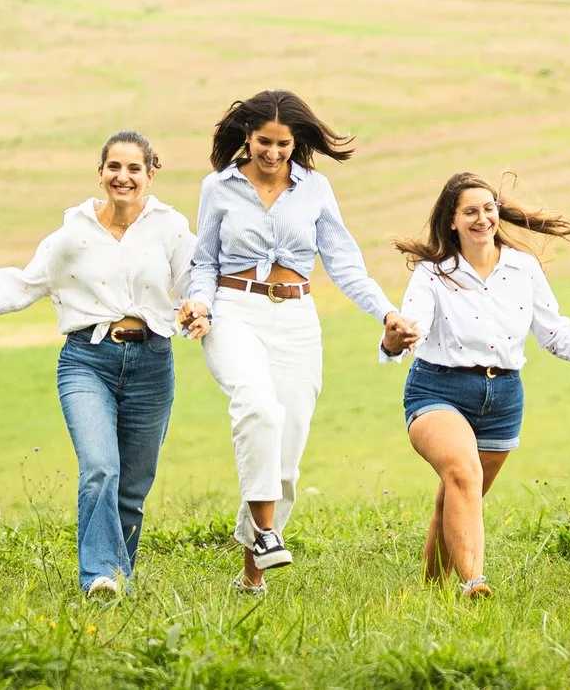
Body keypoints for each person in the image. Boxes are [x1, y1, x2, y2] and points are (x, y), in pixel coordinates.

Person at [0, 131, 191, 599]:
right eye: (114, 167)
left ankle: (119, 579)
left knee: (132, 484)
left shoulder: (170, 228)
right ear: (101, 172)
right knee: (100, 467)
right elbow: (25, 283)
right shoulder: (74, 233)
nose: (122, 177)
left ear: (151, 175)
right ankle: (100, 576)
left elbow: (194, 281)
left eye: (133, 169)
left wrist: (197, 309)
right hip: (88, 361)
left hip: (151, 363)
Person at [179, 90, 418, 593]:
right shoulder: (218, 187)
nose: (273, 152)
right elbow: (204, 261)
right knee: (258, 408)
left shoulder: (315, 189)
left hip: (297, 318)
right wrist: (199, 304)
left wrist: (389, 312)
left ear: (296, 142)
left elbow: (345, 263)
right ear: (247, 137)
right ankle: (266, 533)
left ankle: (252, 574)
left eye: (283, 144)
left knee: (287, 445)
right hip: (234, 311)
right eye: (264, 142)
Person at [380, 171, 570, 599]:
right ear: (452, 221)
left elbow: (552, 330)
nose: (482, 218)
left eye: (488, 209)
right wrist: (395, 338)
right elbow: (411, 321)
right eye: (470, 211)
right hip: (438, 389)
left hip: (503, 397)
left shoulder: (522, 268)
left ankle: (430, 590)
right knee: (462, 473)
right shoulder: (433, 273)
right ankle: (473, 583)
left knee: (458, 493)